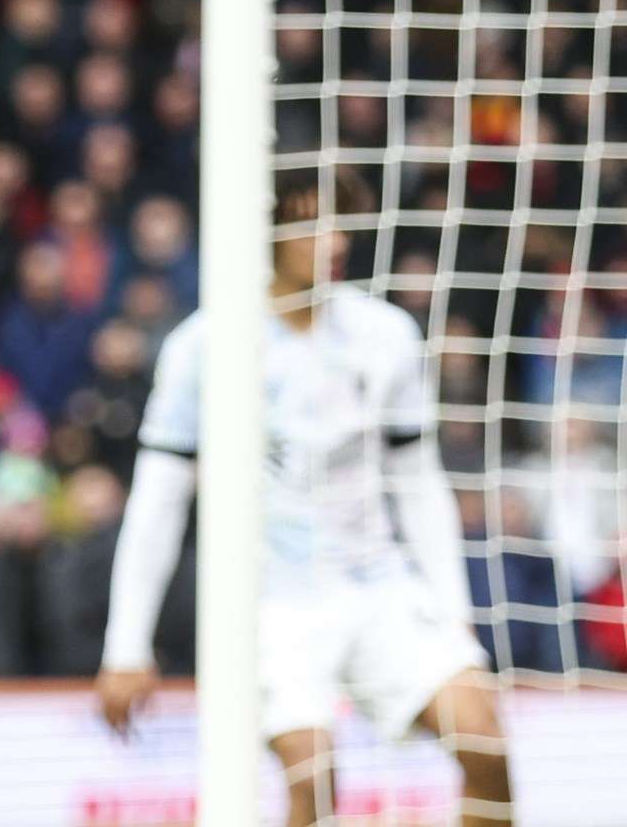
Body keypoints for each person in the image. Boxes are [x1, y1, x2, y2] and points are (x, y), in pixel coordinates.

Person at [96, 171, 512, 827]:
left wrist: (452, 605)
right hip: (269, 605)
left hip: (378, 585)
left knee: (486, 744)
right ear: (264, 234)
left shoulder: (386, 335)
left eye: (339, 221)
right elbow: (158, 501)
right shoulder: (204, 347)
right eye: (310, 222)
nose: (333, 239)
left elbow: (418, 482)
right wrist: (126, 646)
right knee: (312, 783)